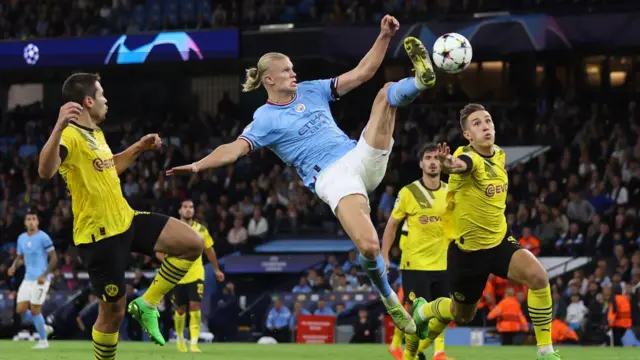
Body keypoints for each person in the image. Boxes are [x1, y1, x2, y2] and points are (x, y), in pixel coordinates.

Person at [167, 15, 436, 335]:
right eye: (286, 70)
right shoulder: (265, 119)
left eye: (293, 68)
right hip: (334, 179)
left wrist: (383, 37)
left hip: (359, 155)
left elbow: (363, 73)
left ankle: (422, 80)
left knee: (386, 92)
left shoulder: (313, 90)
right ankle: (389, 298)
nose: (294, 73)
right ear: (268, 79)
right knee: (369, 247)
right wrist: (198, 164)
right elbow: (235, 148)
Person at [37, 73, 205, 359]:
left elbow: (109, 167)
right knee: (112, 313)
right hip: (99, 237)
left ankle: (148, 303)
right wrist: (58, 126)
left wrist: (138, 147)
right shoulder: (69, 135)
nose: (106, 100)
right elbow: (45, 171)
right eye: (101, 95)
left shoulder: (96, 134)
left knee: (192, 243)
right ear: (88, 101)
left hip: (126, 219)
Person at [412, 103, 561, 360]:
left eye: (488, 121)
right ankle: (425, 311)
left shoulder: (500, 155)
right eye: (477, 124)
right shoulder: (468, 156)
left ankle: (545, 352)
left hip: (499, 242)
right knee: (462, 315)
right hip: (468, 252)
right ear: (468, 135)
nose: (485, 126)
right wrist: (447, 163)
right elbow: (460, 165)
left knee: (539, 278)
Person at [382, 143, 453, 360]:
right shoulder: (409, 192)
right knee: (417, 315)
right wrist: (384, 255)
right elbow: (392, 224)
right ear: (421, 163)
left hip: (444, 265)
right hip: (415, 265)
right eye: (428, 158)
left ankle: (422, 350)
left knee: (445, 315)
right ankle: (410, 355)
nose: (432, 162)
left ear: (441, 163)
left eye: (435, 158)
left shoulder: (451, 192)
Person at [157, 199, 225, 353]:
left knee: (195, 305)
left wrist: (216, 270)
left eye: (191, 207)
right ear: (180, 211)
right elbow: (159, 251)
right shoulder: (172, 230)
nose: (188, 210)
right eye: (185, 207)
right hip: (178, 276)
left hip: (196, 274)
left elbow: (209, 250)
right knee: (180, 309)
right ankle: (180, 338)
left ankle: (194, 342)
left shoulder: (201, 230)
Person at [8, 211, 57, 349]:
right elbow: (20, 257)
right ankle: (43, 326)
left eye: (33, 219)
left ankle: (43, 341)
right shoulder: (21, 238)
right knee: (20, 309)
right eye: (28, 219)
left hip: (41, 279)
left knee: (35, 309)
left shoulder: (43, 237)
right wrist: (13, 266)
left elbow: (54, 258)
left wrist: (45, 274)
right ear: (25, 222)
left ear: (37, 222)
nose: (31, 221)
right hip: (27, 279)